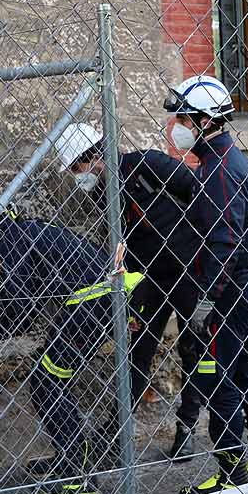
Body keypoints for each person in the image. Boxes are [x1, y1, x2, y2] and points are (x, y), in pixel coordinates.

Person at [0, 194, 139, 494]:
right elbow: (26, 305)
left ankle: (76, 474)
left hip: (91, 303)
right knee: (49, 378)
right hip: (99, 300)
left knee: (47, 381)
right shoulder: (28, 232)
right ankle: (71, 459)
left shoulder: (8, 237)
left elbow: (18, 298)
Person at [54, 122, 208, 459]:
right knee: (136, 354)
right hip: (147, 279)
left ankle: (187, 429)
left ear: (94, 156)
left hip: (189, 270)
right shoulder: (100, 193)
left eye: (76, 167)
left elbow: (198, 192)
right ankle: (115, 434)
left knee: (192, 350)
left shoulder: (147, 164)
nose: (75, 176)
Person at [166, 75, 248, 494]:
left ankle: (232, 473)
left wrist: (205, 301)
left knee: (220, 380)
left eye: (182, 117)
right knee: (246, 373)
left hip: (227, 296)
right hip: (245, 286)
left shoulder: (217, 171)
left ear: (203, 120)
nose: (175, 125)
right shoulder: (236, 161)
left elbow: (223, 240)